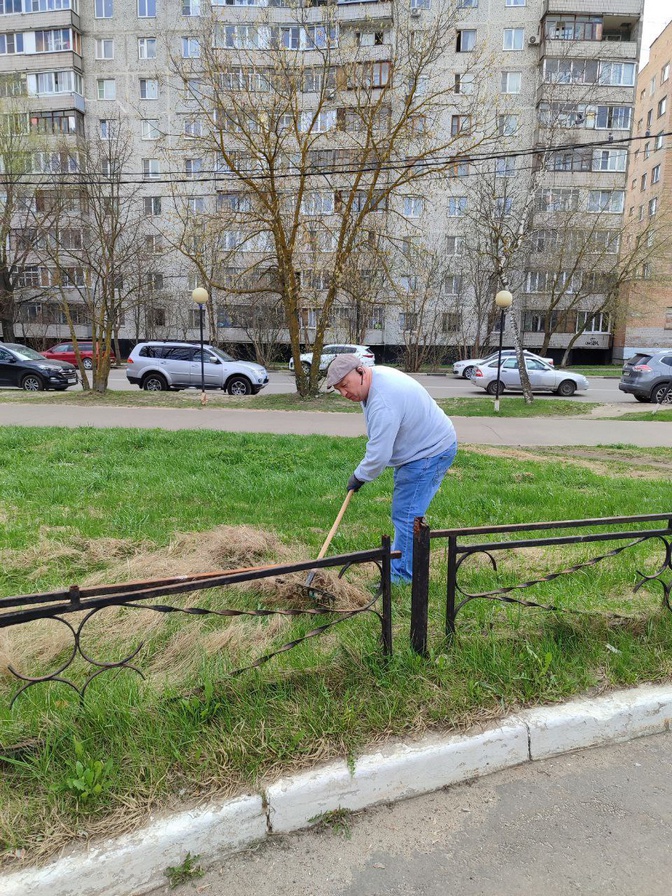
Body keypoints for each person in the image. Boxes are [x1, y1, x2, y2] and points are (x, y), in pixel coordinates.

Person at [326, 354, 458, 584]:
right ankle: (401, 557)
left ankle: (403, 575)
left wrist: (359, 477)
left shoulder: (383, 400)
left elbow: (379, 454)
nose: (344, 393)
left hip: (429, 452)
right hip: (423, 446)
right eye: (338, 390)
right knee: (407, 510)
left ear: (361, 371)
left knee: (407, 513)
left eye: (345, 385)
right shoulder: (374, 380)